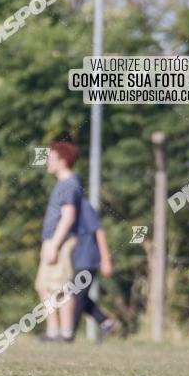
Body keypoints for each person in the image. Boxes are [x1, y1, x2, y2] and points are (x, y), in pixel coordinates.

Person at [35, 142, 82, 343]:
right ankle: (56, 331)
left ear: (63, 161)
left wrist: (54, 244)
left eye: (52, 158)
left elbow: (68, 216)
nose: (48, 162)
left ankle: (64, 332)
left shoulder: (69, 184)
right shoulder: (64, 184)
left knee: (59, 287)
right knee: (46, 285)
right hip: (54, 240)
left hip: (60, 241)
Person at [72, 198, 117, 338]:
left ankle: (69, 333)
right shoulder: (69, 206)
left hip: (88, 260)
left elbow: (99, 232)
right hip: (76, 260)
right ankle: (105, 321)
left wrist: (105, 260)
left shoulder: (83, 206)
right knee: (78, 295)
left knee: (77, 296)